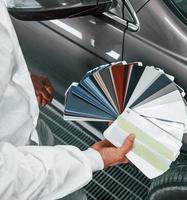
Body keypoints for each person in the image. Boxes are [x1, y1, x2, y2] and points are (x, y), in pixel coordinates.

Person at [0, 1, 134, 200]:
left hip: (29, 128)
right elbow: (6, 180)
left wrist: (17, 78)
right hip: (25, 174)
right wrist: (92, 160)